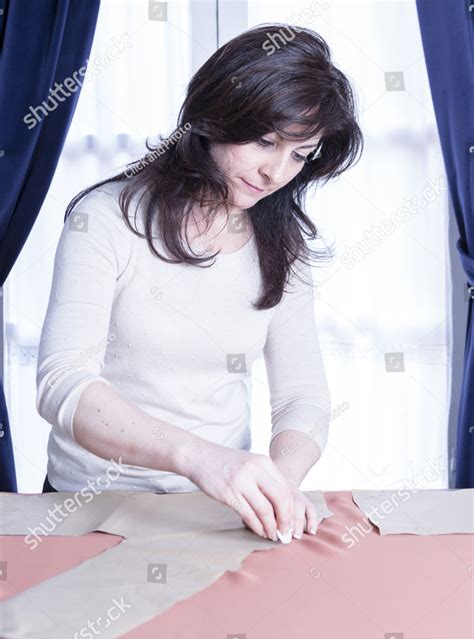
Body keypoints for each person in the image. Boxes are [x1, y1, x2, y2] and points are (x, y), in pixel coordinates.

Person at [36, 23, 363, 543]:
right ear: (214, 118)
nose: (276, 172)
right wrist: (200, 459)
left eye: (300, 155)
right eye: (265, 141)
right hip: (89, 508)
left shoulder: (282, 244)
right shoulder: (105, 219)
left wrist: (276, 483)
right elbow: (63, 384)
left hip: (216, 513)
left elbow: (302, 396)